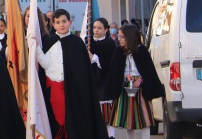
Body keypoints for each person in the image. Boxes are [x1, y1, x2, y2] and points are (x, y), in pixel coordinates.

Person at [34, 9, 108, 139]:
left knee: (74, 122)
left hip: (74, 92)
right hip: (54, 89)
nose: (61, 25)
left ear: (70, 22)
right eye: (58, 22)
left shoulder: (77, 42)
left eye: (64, 21)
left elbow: (82, 71)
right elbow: (45, 64)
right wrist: (36, 47)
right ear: (53, 24)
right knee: (55, 122)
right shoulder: (49, 42)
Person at [105, 24, 164, 139]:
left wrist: (141, 79)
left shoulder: (142, 51)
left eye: (122, 36)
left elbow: (148, 71)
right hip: (125, 88)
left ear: (130, 37)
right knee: (128, 120)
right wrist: (125, 75)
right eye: (119, 36)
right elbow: (115, 72)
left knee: (145, 118)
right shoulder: (118, 51)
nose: (119, 39)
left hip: (141, 89)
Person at [88, 18, 117, 139]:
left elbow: (109, 63)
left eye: (99, 28)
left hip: (105, 80)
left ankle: (111, 136)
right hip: (92, 79)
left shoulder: (109, 43)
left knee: (107, 111)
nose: (96, 30)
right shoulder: (89, 42)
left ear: (106, 29)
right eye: (94, 28)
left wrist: (93, 57)